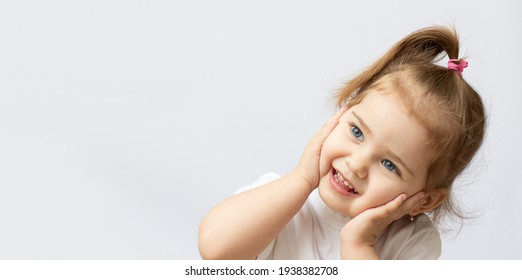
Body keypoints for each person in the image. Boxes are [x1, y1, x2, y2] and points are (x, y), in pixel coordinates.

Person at [198, 26, 486, 260]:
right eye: (357, 132)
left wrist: (357, 244)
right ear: (341, 114)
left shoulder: (411, 244)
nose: (357, 164)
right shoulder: (281, 200)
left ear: (426, 200)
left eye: (389, 165)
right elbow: (216, 250)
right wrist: (300, 179)